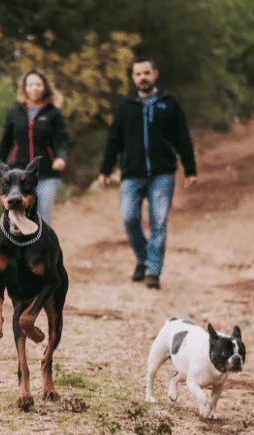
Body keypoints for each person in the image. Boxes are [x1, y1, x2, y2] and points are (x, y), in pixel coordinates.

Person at [98, 56, 198, 290]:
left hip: (162, 173)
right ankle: (143, 259)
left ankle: (153, 270)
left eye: (146, 73)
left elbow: (182, 137)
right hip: (132, 172)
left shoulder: (168, 102)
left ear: (155, 74)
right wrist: (105, 169)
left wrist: (190, 169)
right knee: (128, 217)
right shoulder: (125, 106)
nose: (142, 77)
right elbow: (114, 140)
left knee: (159, 221)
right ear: (133, 78)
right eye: (138, 74)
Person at [0, 68, 70, 226]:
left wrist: (61, 157)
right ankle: (22, 248)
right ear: (24, 88)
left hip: (47, 174)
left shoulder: (53, 114)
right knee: (18, 215)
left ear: (45, 87)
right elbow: (4, 144)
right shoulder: (14, 114)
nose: (34, 88)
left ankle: (42, 249)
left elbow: (62, 141)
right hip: (19, 176)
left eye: (38, 84)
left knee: (42, 215)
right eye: (30, 84)